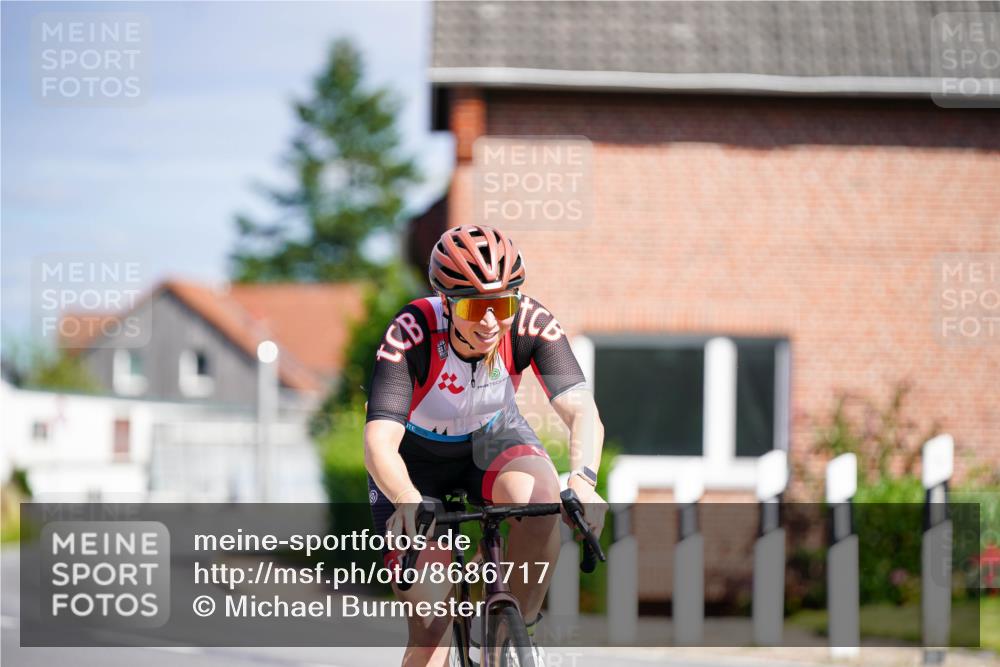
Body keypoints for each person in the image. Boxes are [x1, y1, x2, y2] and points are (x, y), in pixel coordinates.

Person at [365, 224, 607, 666]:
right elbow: (379, 441)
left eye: (502, 304)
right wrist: (405, 498)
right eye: (475, 307)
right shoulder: (411, 332)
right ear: (446, 302)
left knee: (542, 501)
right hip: (414, 463)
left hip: (492, 439)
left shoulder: (530, 324)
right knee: (431, 630)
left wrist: (584, 482)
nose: (491, 321)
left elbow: (581, 411)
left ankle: (516, 634)